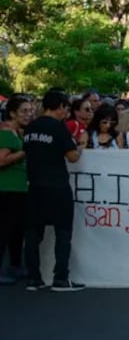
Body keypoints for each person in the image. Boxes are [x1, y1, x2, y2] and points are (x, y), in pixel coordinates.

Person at [24, 90, 87, 292]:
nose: (66, 113)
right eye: (66, 108)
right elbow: (73, 157)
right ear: (60, 107)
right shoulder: (58, 128)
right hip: (57, 187)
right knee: (63, 233)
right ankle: (61, 278)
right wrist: (81, 146)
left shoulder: (30, 127)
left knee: (33, 235)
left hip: (34, 187)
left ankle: (33, 278)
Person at [0, 96, 32, 284]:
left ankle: (15, 265)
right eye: (24, 111)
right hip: (7, 188)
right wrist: (24, 152)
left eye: (30, 110)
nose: (29, 115)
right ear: (12, 113)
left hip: (18, 188)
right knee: (4, 230)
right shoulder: (5, 133)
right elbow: (2, 160)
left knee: (16, 230)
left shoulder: (16, 133)